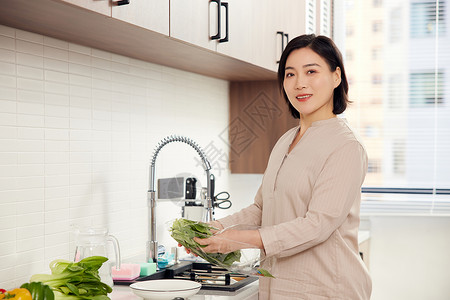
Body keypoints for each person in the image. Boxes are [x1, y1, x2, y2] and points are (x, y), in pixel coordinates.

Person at [192, 34, 372, 299]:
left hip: (326, 289)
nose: (300, 83)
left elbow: (317, 225)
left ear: (336, 77)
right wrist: (214, 230)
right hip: (280, 286)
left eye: (311, 71)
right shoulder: (285, 141)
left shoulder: (346, 146)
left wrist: (237, 239)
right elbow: (262, 208)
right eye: (290, 74)